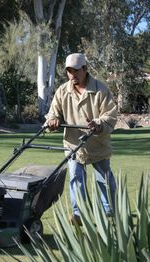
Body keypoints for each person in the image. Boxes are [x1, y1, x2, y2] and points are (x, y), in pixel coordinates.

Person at [45, 53, 117, 225]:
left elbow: (111, 115)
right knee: (76, 178)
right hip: (73, 144)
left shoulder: (100, 89)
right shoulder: (63, 91)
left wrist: (98, 123)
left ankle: (111, 213)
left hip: (97, 144)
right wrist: (53, 121)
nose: (72, 75)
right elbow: (53, 113)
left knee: (104, 179)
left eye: (76, 71)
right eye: (69, 71)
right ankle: (79, 215)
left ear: (85, 69)